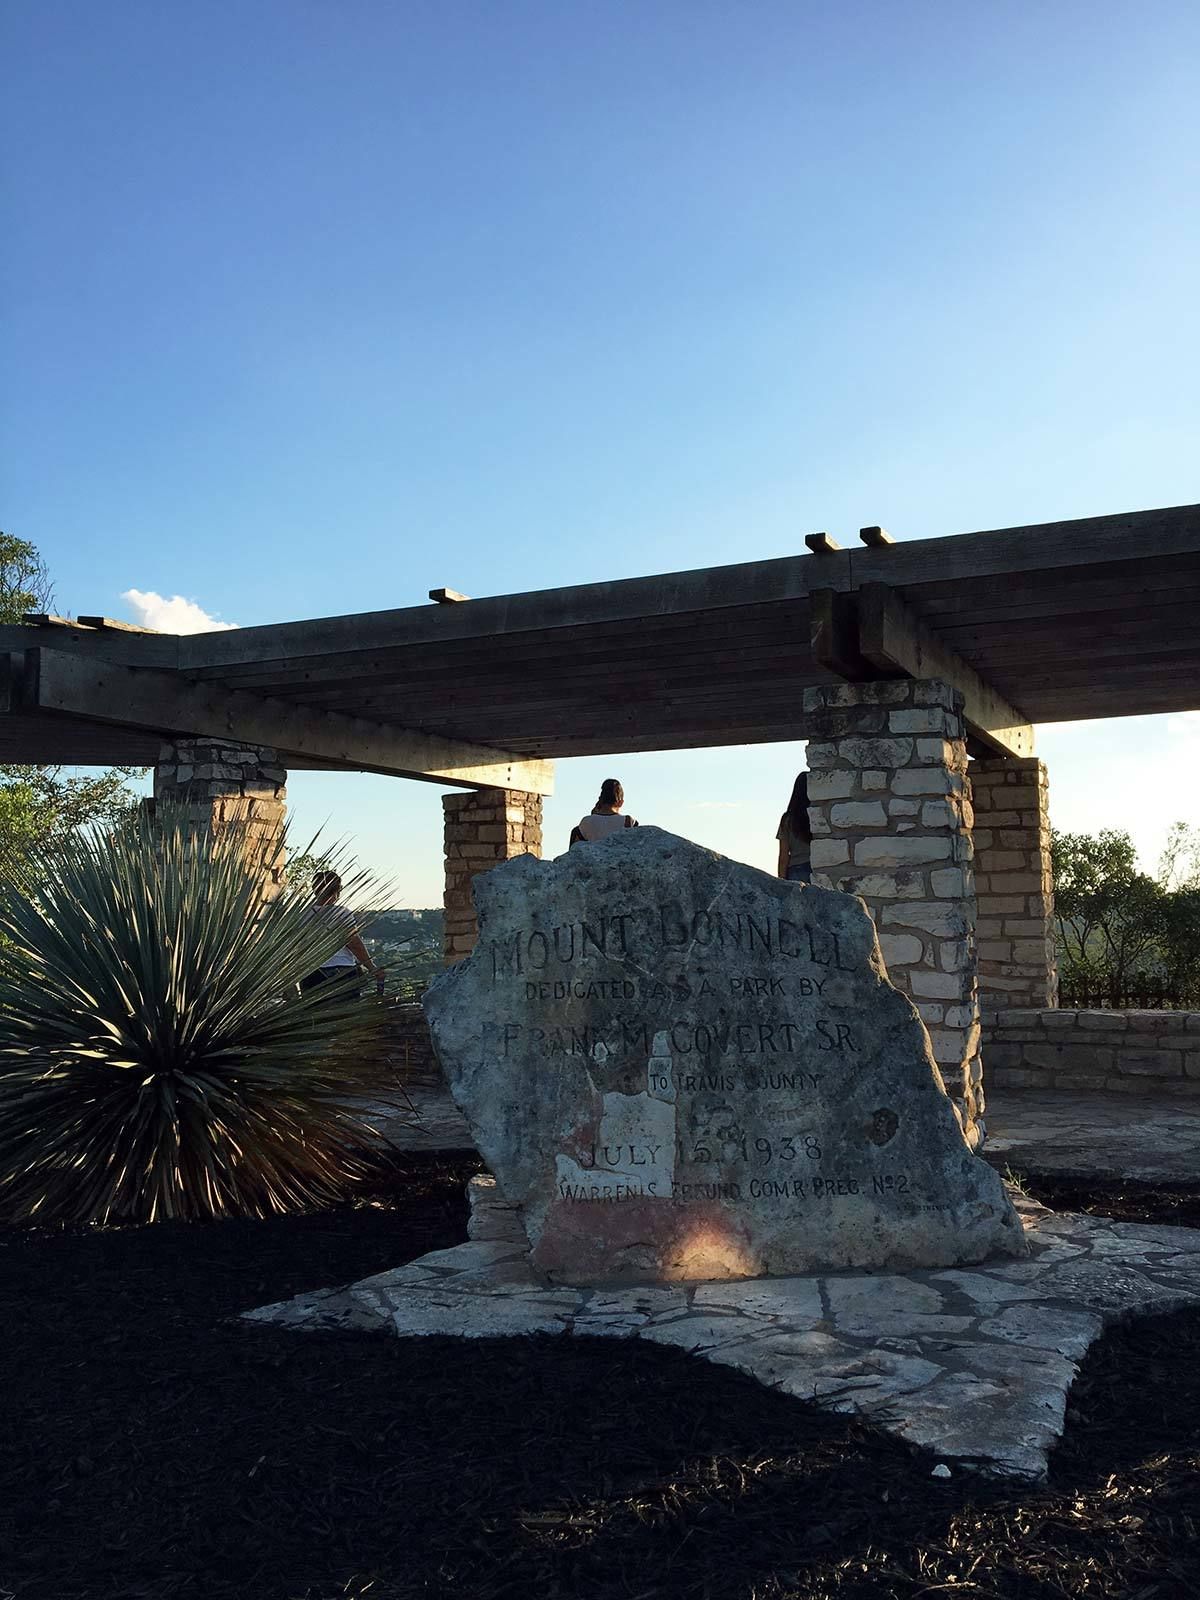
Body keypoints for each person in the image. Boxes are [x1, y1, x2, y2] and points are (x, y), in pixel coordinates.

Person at [300, 869, 386, 993]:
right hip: (341, 971)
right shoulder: (341, 913)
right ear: (337, 890)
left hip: (311, 973)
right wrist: (371, 967)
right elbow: (354, 943)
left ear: (315, 889)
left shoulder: (301, 915)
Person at [570, 778, 638, 846]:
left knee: (575, 831)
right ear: (621, 803)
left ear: (600, 800)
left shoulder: (586, 821)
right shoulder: (629, 821)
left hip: (594, 856)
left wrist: (593, 815)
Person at [777, 773, 812, 884]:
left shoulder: (788, 819)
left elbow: (783, 856)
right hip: (816, 868)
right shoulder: (816, 815)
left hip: (796, 870)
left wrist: (781, 882)